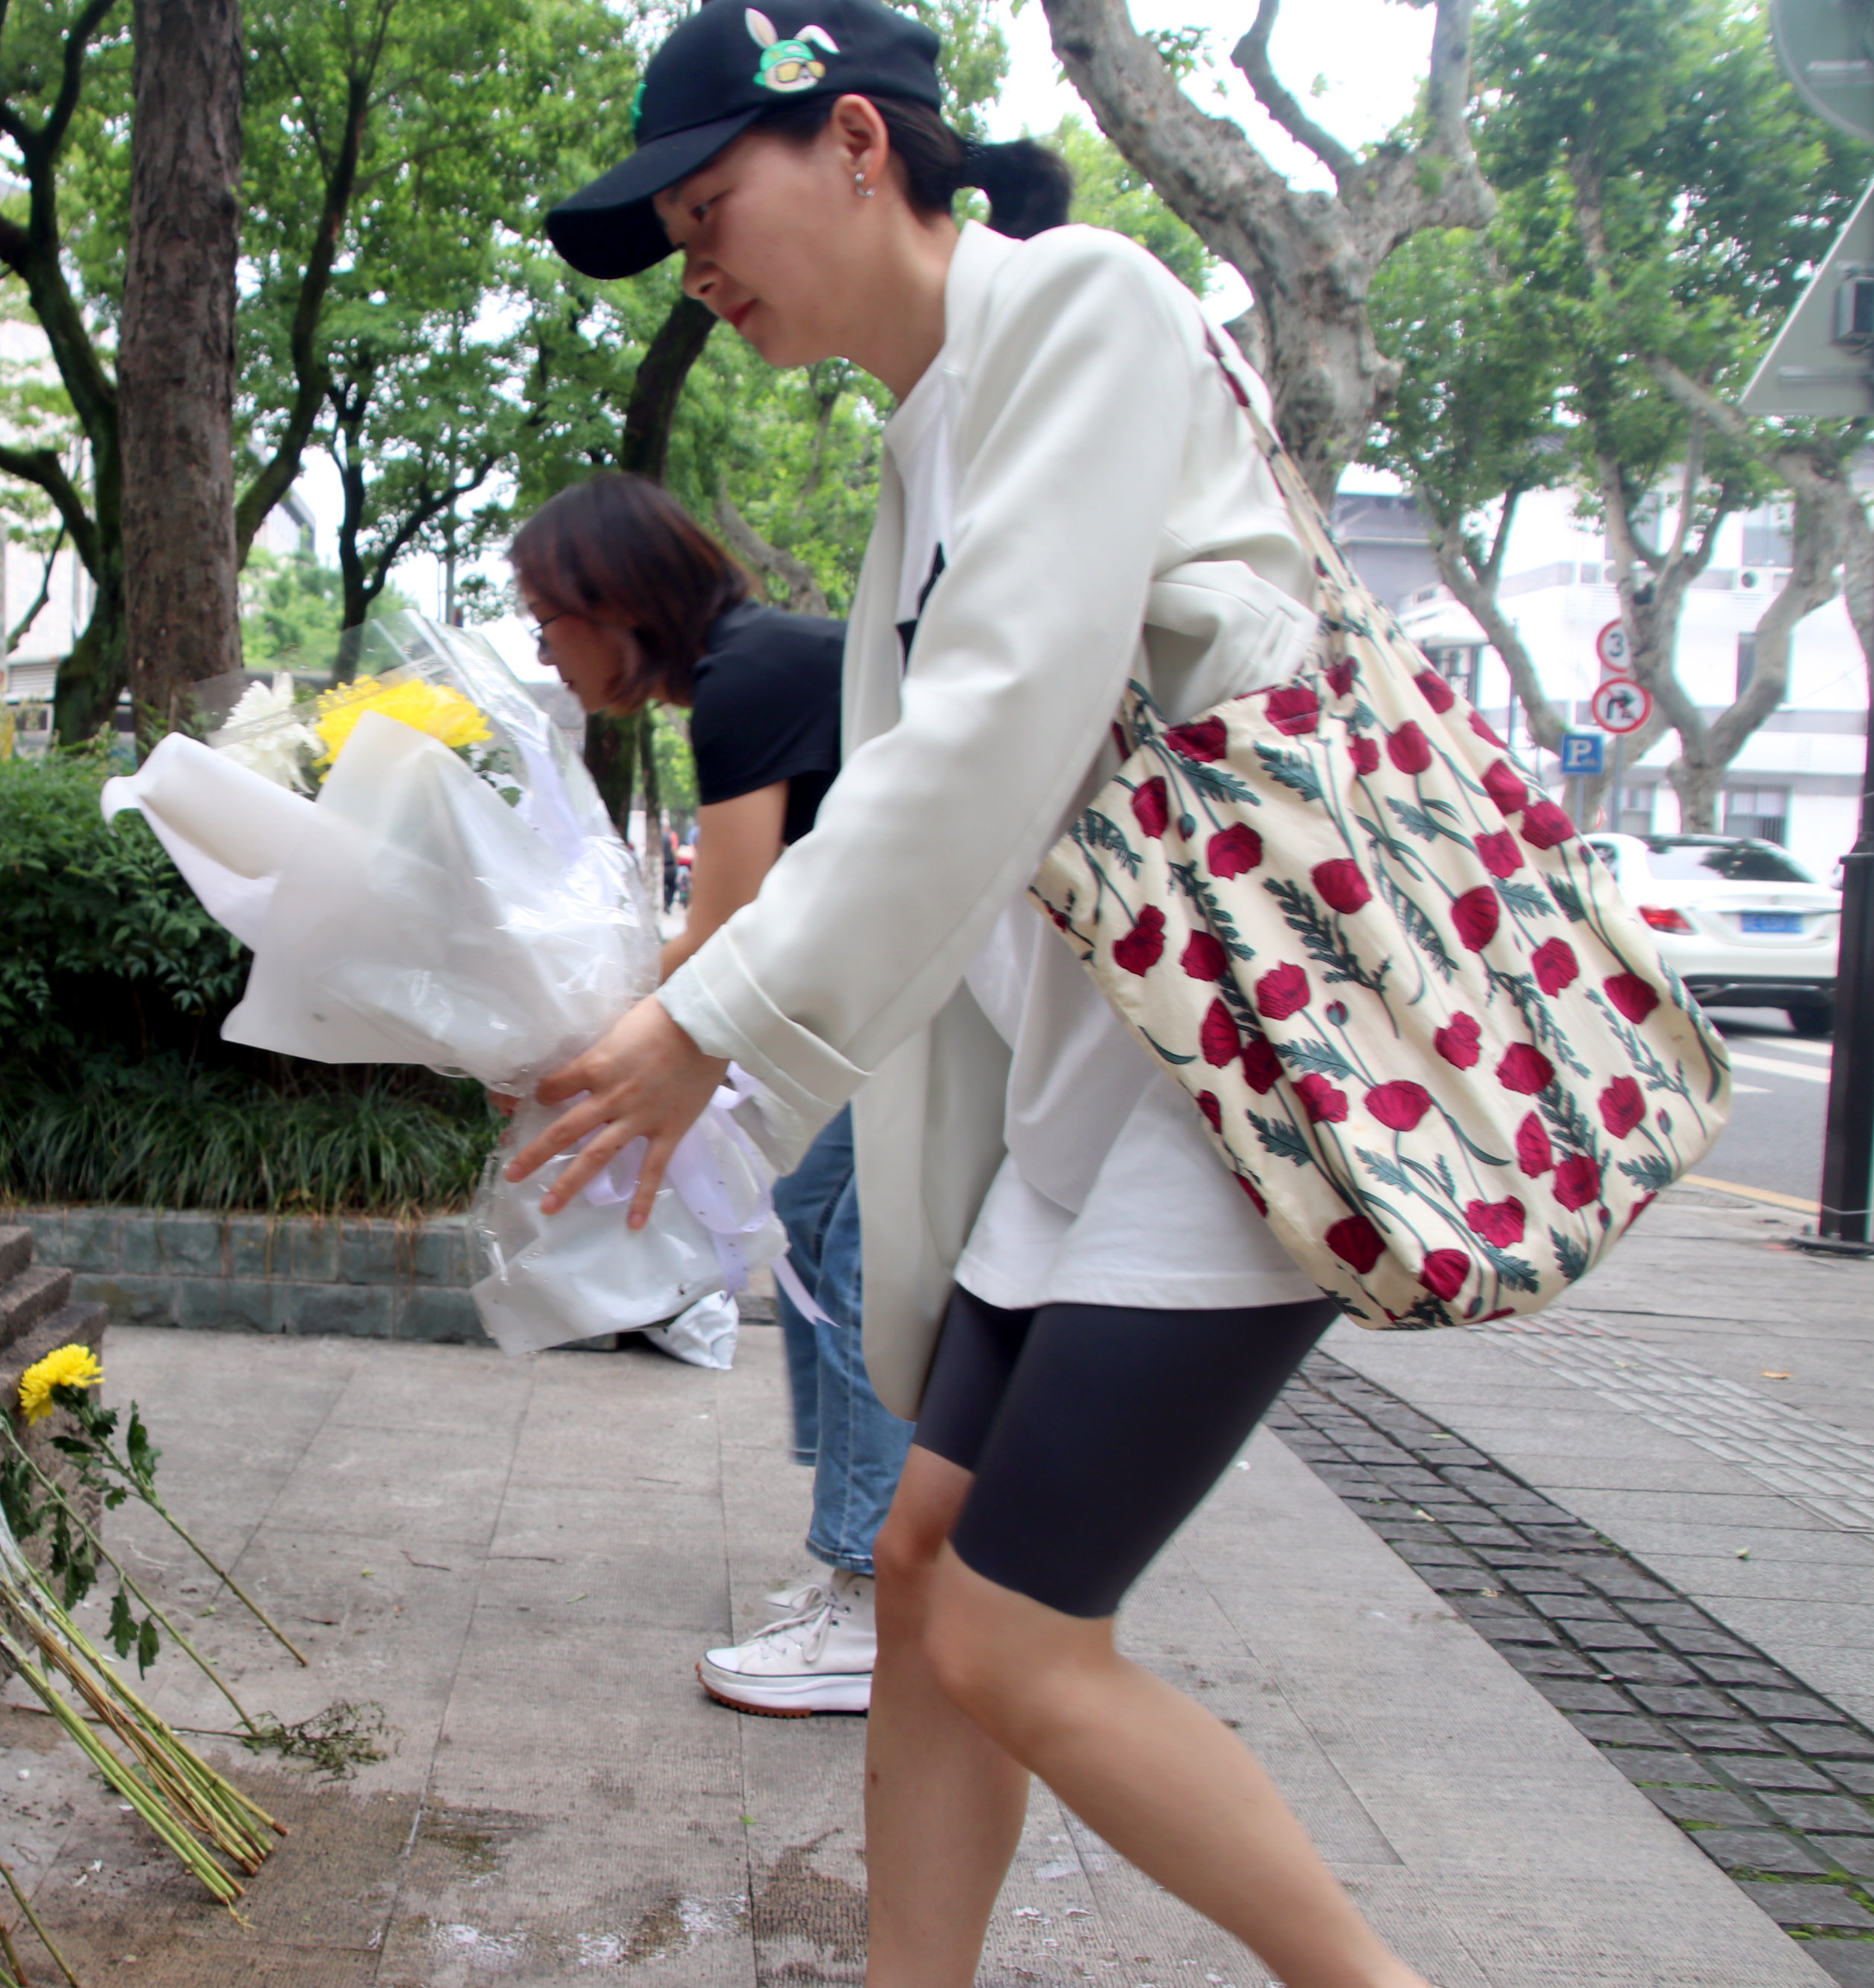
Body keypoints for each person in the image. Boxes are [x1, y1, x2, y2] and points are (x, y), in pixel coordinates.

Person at [515, 4, 1435, 1984]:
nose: (699, 263)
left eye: (709, 204)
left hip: (1236, 1101)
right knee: (928, 1580)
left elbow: (1000, 727)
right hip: (1089, 1106)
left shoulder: (1089, 314)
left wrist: (706, 1023)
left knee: (1016, 1631)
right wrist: (720, 1053)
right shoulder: (926, 438)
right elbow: (947, 845)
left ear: (859, 142)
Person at [509, 475, 915, 1717]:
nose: (542, 646)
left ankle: (875, 1594)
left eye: (545, 616)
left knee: (853, 1268)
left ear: (611, 604)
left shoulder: (747, 677)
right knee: (817, 1242)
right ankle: (867, 1565)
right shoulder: (756, 667)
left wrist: (576, 1038)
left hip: (925, 998)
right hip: (896, 996)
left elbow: (728, 926)